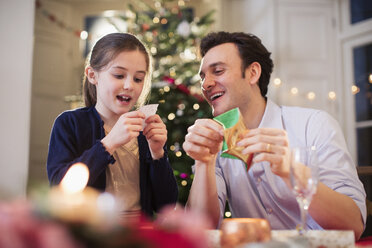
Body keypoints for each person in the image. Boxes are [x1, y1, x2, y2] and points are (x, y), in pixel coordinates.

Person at [183, 31, 366, 239]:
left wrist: (293, 173)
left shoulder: (314, 125)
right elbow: (199, 231)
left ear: (252, 73)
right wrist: (203, 163)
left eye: (217, 71)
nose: (205, 84)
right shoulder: (215, 143)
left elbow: (353, 225)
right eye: (203, 76)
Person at [47, 33, 178, 219]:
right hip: (92, 233)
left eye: (138, 79)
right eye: (119, 75)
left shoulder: (145, 130)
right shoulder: (69, 124)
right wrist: (108, 144)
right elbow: (60, 188)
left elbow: (166, 204)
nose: (129, 85)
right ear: (92, 75)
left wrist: (158, 154)